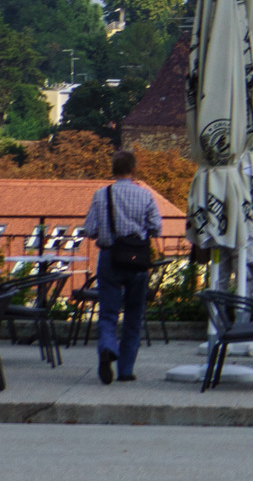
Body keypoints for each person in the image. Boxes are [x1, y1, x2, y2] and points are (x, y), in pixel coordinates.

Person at [81, 149, 162, 385]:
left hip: (110, 257)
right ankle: (126, 370)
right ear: (133, 169)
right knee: (134, 315)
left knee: (108, 312)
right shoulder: (145, 196)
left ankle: (107, 347)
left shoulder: (101, 195)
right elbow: (156, 227)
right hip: (137, 260)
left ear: (113, 170)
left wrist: (104, 231)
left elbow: (89, 229)